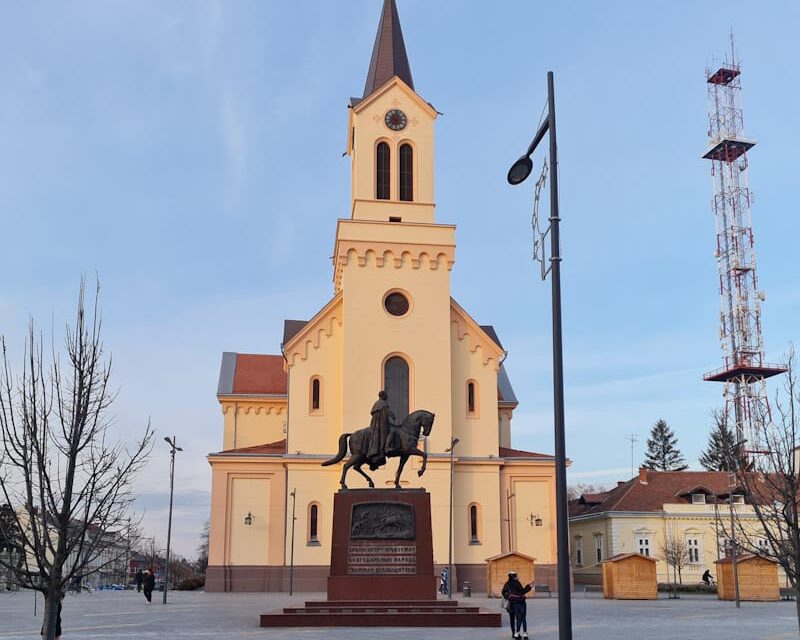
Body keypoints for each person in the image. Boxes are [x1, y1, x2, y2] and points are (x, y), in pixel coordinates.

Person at [367, 390, 395, 470]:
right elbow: (388, 411)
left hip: (375, 425)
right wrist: (393, 416)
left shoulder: (376, 404)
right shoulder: (383, 403)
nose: (387, 397)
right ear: (383, 396)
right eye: (386, 395)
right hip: (382, 424)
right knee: (392, 431)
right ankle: (387, 447)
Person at [502, 571, 532, 639]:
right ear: (514, 576)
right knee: (520, 618)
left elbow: (503, 592)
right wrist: (529, 586)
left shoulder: (507, 584)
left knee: (512, 619)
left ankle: (514, 633)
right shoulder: (517, 583)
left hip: (511, 605)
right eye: (517, 575)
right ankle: (520, 633)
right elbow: (522, 591)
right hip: (518, 603)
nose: (518, 576)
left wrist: (508, 597)